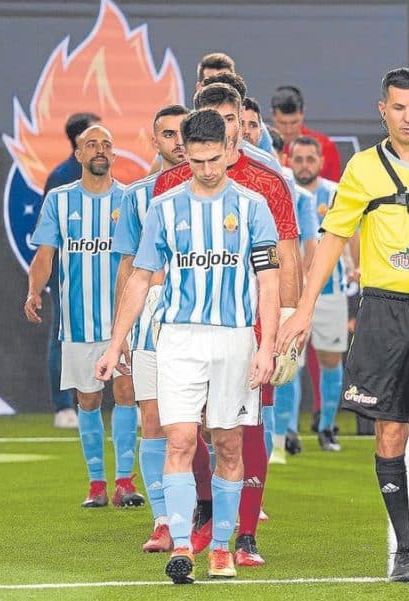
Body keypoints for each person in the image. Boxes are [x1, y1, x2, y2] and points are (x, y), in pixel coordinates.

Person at [277, 67, 409, 582]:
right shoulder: (362, 168)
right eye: (398, 108)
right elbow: (332, 237)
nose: (408, 117)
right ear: (383, 111)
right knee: (390, 431)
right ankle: (406, 549)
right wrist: (304, 306)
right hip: (383, 311)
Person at [96, 109, 280, 583]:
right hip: (178, 337)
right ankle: (182, 546)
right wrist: (116, 345)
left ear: (229, 150)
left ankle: (221, 548)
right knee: (178, 438)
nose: (206, 169)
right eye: (197, 161)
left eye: (214, 159)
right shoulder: (164, 207)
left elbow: (269, 282)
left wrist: (267, 346)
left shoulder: (253, 206)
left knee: (229, 444)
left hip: (235, 339)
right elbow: (140, 278)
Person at [153, 82, 301, 567]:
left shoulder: (267, 183)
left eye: (231, 118)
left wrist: (287, 323)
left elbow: (286, 257)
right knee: (185, 429)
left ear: (240, 122)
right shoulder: (168, 187)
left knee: (242, 430)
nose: (225, 127)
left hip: (250, 327)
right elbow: (151, 265)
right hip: (183, 329)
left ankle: (245, 535)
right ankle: (201, 516)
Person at [25, 125, 142, 509]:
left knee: (126, 393)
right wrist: (33, 291)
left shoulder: (129, 200)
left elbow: (142, 261)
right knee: (88, 400)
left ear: (114, 154)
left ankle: (124, 481)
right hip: (78, 322)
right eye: (91, 144)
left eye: (106, 144)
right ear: (78, 155)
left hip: (122, 322)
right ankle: (96, 484)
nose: (99, 149)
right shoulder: (59, 200)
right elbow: (45, 255)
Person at [111, 104, 188, 551]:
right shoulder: (136, 196)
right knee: (154, 421)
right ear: (153, 140)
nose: (178, 142)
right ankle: (163, 520)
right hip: (149, 328)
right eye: (168, 134)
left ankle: (202, 513)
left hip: (202, 325)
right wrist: (118, 333)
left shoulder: (220, 192)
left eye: (183, 132)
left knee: (203, 425)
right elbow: (127, 268)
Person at [271, 135, 352, 460]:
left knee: (330, 359)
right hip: (292, 293)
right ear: (290, 161)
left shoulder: (335, 193)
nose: (304, 165)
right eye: (299, 159)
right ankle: (287, 432)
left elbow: (354, 233)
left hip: (331, 292)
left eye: (310, 159)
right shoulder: (284, 190)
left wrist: (357, 266)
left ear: (320, 162)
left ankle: (326, 426)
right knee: (290, 360)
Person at [43, 112, 102, 428]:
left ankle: (129, 401)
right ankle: (63, 406)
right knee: (62, 335)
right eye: (94, 136)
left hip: (104, 268)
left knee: (120, 331)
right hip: (69, 272)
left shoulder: (104, 172)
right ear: (80, 140)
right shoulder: (61, 178)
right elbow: (49, 234)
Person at [271, 85, 342, 181]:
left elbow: (334, 187)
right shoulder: (261, 147)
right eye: (282, 123)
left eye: (294, 122)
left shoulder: (325, 147)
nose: (289, 130)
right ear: (273, 116)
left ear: (302, 114)